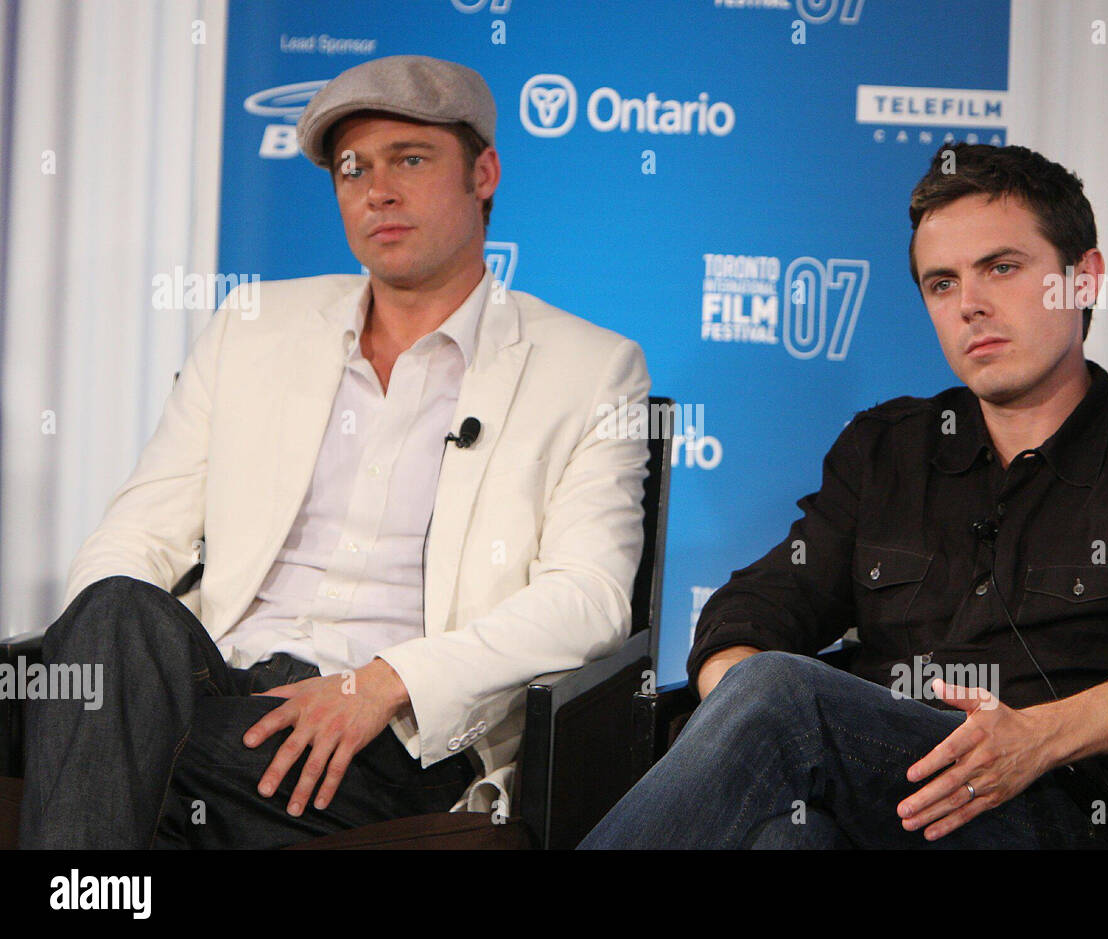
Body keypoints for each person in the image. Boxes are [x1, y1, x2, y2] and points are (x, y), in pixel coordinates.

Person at [19, 55, 651, 849]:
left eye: (409, 161)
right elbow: (135, 534)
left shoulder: (590, 368)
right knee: (114, 604)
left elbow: (589, 597)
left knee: (107, 760)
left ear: (483, 172)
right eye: (353, 169)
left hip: (398, 730)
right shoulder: (253, 325)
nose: (376, 190)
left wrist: (383, 683)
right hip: (224, 684)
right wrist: (114, 693)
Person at [580, 143, 1108, 849]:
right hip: (879, 788)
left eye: (1002, 268)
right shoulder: (886, 448)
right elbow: (754, 606)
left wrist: (1037, 737)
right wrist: (743, 712)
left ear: (1084, 279)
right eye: (942, 284)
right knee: (786, 833)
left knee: (782, 700)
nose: (971, 305)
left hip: (1056, 807)